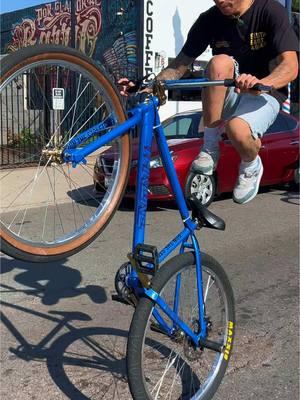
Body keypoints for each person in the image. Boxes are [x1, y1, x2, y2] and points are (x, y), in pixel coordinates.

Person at [119, 0, 298, 204]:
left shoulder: (270, 10)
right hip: (230, 91)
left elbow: (290, 67)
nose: (219, 1)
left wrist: (261, 83)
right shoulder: (209, 19)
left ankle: (251, 164)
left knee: (237, 129)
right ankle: (210, 147)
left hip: (265, 93)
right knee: (218, 62)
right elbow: (179, 65)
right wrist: (147, 86)